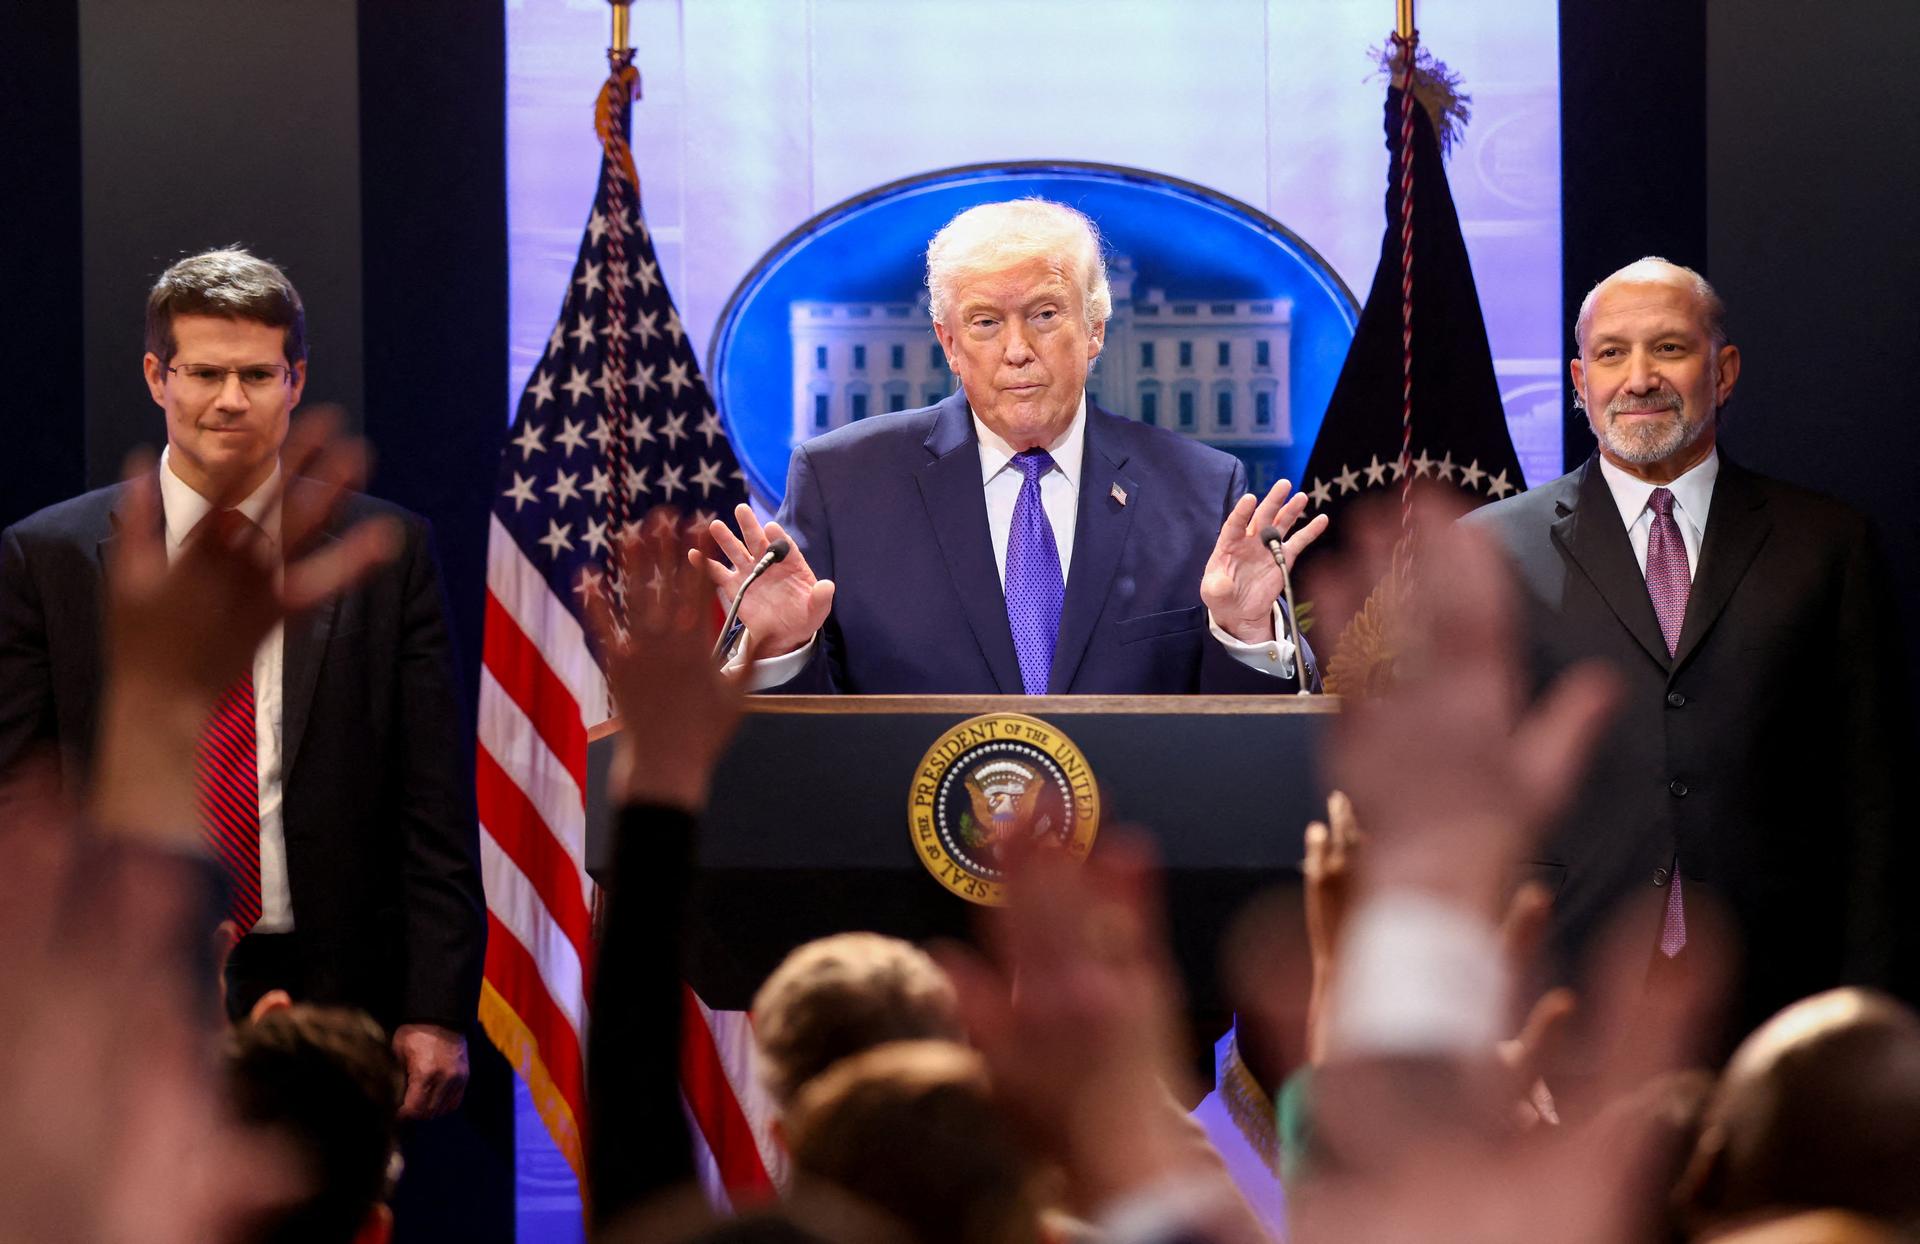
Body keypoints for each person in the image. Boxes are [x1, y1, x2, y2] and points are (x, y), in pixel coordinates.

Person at [0, 248, 485, 1119]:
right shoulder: (49, 557)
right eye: (206, 373)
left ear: (295, 382)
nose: (230, 399)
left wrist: (435, 1006)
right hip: (120, 977)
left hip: (336, 986)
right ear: (158, 376)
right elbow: (16, 796)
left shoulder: (385, 552)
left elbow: (432, 802)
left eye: (257, 374)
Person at [1464, 257, 1908, 1042]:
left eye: (1668, 348)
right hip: (1557, 997)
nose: (1638, 378)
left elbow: (1872, 802)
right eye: (1611, 354)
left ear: (1723, 369)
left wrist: (1866, 1019)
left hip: (1779, 1001)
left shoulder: (1828, 544)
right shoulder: (1491, 554)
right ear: (1578, 379)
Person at [694, 197, 1328, 695]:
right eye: (986, 322)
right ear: (949, 343)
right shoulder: (843, 484)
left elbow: (1246, 754)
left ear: (1095, 330)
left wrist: (1246, 635)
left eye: (1046, 314)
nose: (1017, 349)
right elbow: (792, 763)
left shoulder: (1200, 490)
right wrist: (780, 652)